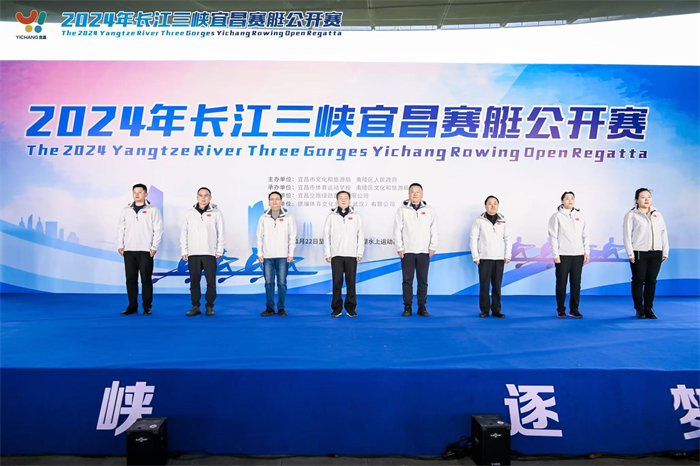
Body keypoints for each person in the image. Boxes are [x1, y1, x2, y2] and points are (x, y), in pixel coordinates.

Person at [623, 188, 669, 319]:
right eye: (643, 197)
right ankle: (639, 309)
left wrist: (665, 251)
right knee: (638, 280)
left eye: (649, 196)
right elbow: (626, 235)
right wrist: (630, 253)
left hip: (656, 252)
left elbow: (663, 233)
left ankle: (649, 309)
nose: (646, 199)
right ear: (636, 200)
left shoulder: (657, 214)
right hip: (639, 252)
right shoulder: (631, 215)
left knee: (651, 281)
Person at [117, 183, 163, 316]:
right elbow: (121, 229)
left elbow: (158, 229)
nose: (137, 195)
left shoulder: (153, 210)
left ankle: (147, 307)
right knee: (130, 280)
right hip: (129, 250)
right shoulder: (126, 210)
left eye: (140, 192)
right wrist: (120, 245)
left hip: (146, 251)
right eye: (134, 192)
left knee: (146, 280)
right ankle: (132, 306)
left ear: (146, 194)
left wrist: (154, 247)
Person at [393, 183, 438, 317]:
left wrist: (432, 246)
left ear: (422, 194)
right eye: (412, 192)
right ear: (409, 194)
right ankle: (407, 307)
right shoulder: (402, 210)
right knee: (407, 281)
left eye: (418, 192)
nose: (415, 194)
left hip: (424, 251)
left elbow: (434, 229)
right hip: (407, 251)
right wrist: (400, 247)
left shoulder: (429, 210)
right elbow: (397, 230)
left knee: (423, 281)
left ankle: (422, 307)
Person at [180, 187, 224, 317]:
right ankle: (195, 306)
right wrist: (184, 250)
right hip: (193, 253)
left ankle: (210, 306)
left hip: (209, 252)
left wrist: (219, 250)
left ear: (210, 197)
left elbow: (221, 233)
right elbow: (184, 233)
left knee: (211, 282)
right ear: (197, 197)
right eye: (201, 195)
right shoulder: (190, 213)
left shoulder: (216, 213)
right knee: (194, 281)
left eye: (206, 195)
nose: (203, 198)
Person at [547, 191, 590, 318]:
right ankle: (560, 309)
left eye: (572, 198)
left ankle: (574, 309)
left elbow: (585, 235)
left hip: (578, 254)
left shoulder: (580, 216)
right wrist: (555, 254)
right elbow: (553, 236)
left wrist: (586, 252)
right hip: (563, 255)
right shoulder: (556, 216)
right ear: (562, 201)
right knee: (561, 283)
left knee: (576, 284)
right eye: (567, 198)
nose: (570, 200)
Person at [324, 191, 364, 317]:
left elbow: (360, 235)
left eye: (345, 198)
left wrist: (359, 252)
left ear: (349, 200)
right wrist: (328, 253)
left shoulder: (356, 216)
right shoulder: (331, 217)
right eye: (340, 198)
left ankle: (351, 308)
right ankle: (336, 308)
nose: (343, 200)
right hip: (336, 254)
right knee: (337, 282)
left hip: (351, 254)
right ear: (337, 201)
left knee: (351, 282)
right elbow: (326, 236)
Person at [470, 195, 511, 318]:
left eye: (495, 203)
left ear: (498, 206)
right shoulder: (479, 221)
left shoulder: (503, 221)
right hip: (484, 258)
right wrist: (475, 256)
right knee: (484, 285)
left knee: (497, 286)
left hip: (499, 258)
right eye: (490, 203)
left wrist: (507, 255)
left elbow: (508, 239)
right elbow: (473, 238)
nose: (492, 206)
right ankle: (485, 310)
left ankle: (496, 310)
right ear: (485, 206)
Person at [257, 191, 297, 316]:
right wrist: (260, 253)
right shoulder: (263, 217)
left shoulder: (288, 217)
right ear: (269, 201)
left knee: (282, 283)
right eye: (272, 199)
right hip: (267, 256)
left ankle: (281, 308)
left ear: (281, 201)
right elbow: (259, 237)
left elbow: (292, 236)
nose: (274, 201)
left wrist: (290, 253)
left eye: (277, 199)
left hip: (283, 256)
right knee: (268, 283)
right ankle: (269, 308)